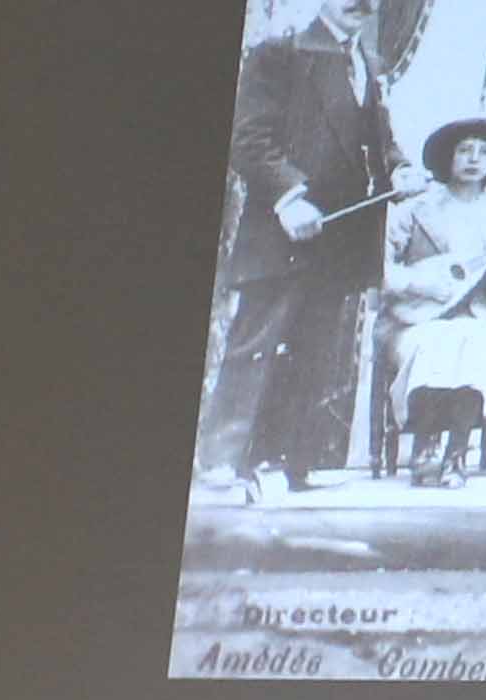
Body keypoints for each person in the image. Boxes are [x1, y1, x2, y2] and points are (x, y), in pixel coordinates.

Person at [208, 0, 395, 495]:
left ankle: (292, 464)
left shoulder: (368, 62)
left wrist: (401, 168)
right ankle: (223, 465)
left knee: (314, 353)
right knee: (258, 345)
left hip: (341, 234)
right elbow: (247, 138)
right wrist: (289, 198)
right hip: (284, 231)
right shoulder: (280, 53)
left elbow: (374, 139)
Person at [383, 117, 486, 479]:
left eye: (484, 152)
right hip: (417, 316)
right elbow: (379, 266)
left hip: (477, 315)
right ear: (448, 157)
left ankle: (456, 452)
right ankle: (425, 446)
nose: (474, 159)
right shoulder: (414, 209)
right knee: (431, 343)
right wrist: (418, 285)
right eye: (464, 150)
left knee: (478, 343)